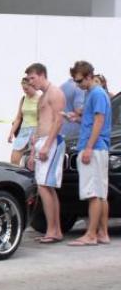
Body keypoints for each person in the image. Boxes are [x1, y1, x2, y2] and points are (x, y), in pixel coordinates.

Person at [68, 61, 112, 247]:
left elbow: (99, 122)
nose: (78, 85)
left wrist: (88, 147)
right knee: (100, 193)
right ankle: (102, 233)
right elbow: (90, 121)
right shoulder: (93, 94)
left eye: (79, 81)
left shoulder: (96, 94)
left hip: (94, 148)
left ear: (88, 76)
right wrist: (76, 119)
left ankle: (91, 234)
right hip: (97, 147)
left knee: (93, 193)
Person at [25, 62, 66, 244]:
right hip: (41, 141)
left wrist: (48, 145)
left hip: (52, 141)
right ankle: (55, 230)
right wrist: (34, 150)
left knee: (44, 186)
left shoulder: (55, 93)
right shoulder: (42, 97)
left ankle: (53, 230)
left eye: (32, 78)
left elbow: (58, 121)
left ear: (41, 75)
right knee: (46, 187)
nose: (31, 82)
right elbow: (40, 123)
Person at [8, 77, 39, 165]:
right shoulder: (23, 99)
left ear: (33, 86)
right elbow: (18, 117)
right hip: (23, 131)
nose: (25, 91)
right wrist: (11, 133)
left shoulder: (40, 99)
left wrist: (37, 135)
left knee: (33, 161)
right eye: (23, 89)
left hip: (36, 130)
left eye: (26, 89)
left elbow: (41, 119)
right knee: (14, 160)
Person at [59, 68, 86, 139]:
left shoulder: (61, 86)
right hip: (74, 131)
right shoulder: (79, 88)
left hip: (60, 128)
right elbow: (78, 109)